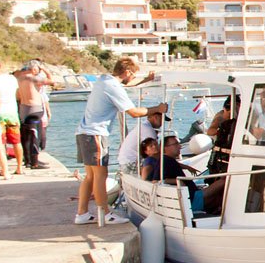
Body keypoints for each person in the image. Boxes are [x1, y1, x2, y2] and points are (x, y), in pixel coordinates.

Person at [74, 58, 165, 225]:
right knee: (101, 176)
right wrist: (157, 109)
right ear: (128, 72)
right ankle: (106, 214)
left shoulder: (104, 80)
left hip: (83, 132)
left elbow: (126, 85)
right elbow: (134, 112)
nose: (133, 77)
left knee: (90, 176)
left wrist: (145, 80)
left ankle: (82, 214)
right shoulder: (113, 86)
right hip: (96, 134)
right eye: (134, 74)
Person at [0, 60, 23, 175]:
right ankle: (19, 167)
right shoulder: (11, 78)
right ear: (0, 66)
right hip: (12, 112)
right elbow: (18, 94)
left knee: (0, 142)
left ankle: (3, 169)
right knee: (16, 141)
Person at [15, 60, 52, 169]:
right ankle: (35, 162)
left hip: (23, 108)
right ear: (34, 68)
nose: (39, 71)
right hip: (34, 109)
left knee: (26, 136)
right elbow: (51, 80)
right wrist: (44, 69)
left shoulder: (20, 78)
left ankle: (27, 160)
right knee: (35, 135)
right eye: (38, 69)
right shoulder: (34, 79)